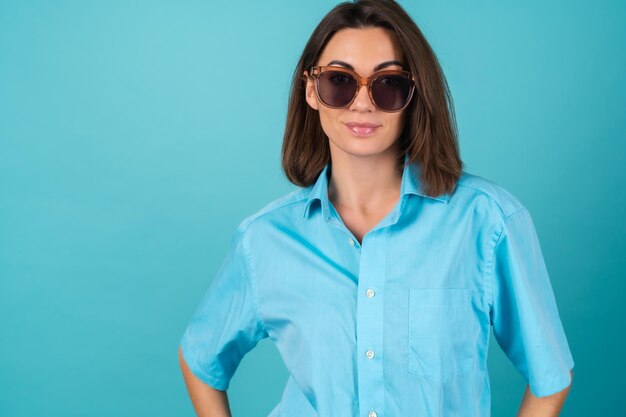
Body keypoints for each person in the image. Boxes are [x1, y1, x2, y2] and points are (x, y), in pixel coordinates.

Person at [178, 1, 574, 416]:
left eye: (388, 83)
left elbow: (550, 376)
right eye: (339, 81)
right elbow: (201, 359)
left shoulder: (487, 222)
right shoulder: (264, 240)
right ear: (311, 90)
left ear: (414, 93)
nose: (362, 103)